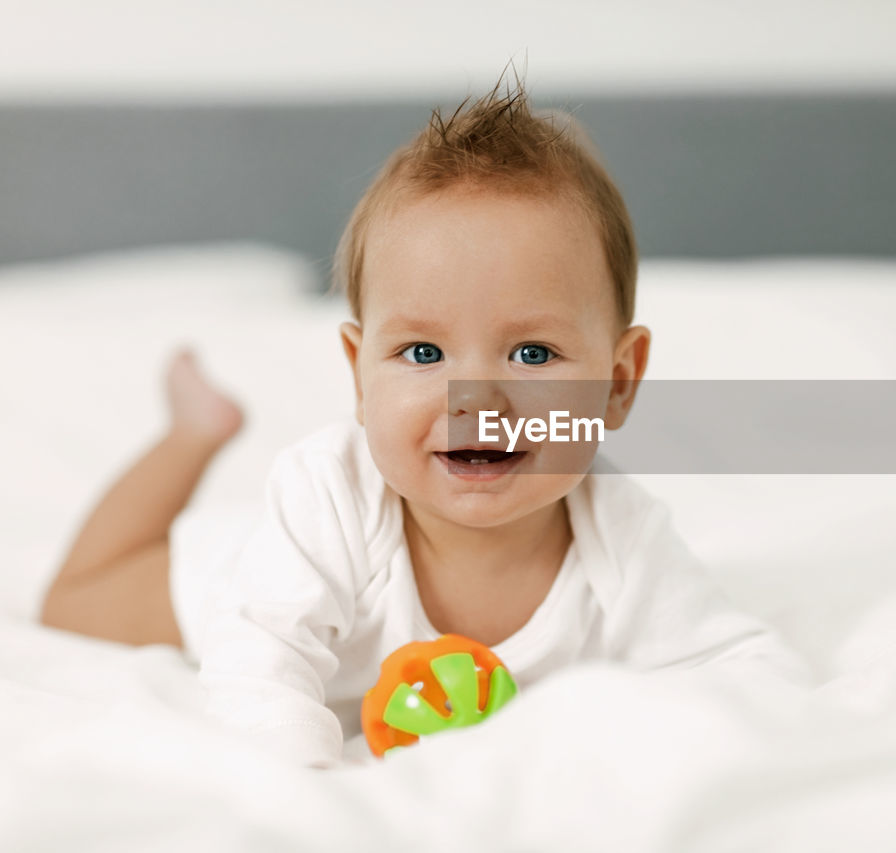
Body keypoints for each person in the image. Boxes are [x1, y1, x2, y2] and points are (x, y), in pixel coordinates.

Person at [38, 74, 813, 768]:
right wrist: (312, 794)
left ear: (618, 383)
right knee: (73, 600)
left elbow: (739, 667)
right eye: (422, 351)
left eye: (534, 354)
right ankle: (192, 431)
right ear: (358, 375)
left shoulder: (622, 532)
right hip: (240, 575)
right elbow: (261, 665)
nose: (475, 400)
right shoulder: (326, 494)